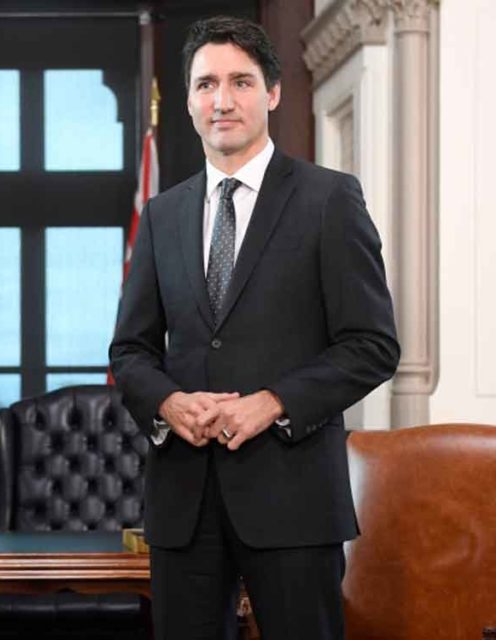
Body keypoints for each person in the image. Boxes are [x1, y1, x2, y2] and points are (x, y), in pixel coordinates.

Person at [109, 16, 399, 640]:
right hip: (183, 502)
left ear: (271, 92)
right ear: (188, 101)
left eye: (240, 81)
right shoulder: (162, 215)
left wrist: (274, 403)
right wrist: (166, 401)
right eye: (206, 84)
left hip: (293, 501)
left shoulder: (330, 199)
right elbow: (130, 350)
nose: (222, 99)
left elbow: (372, 345)